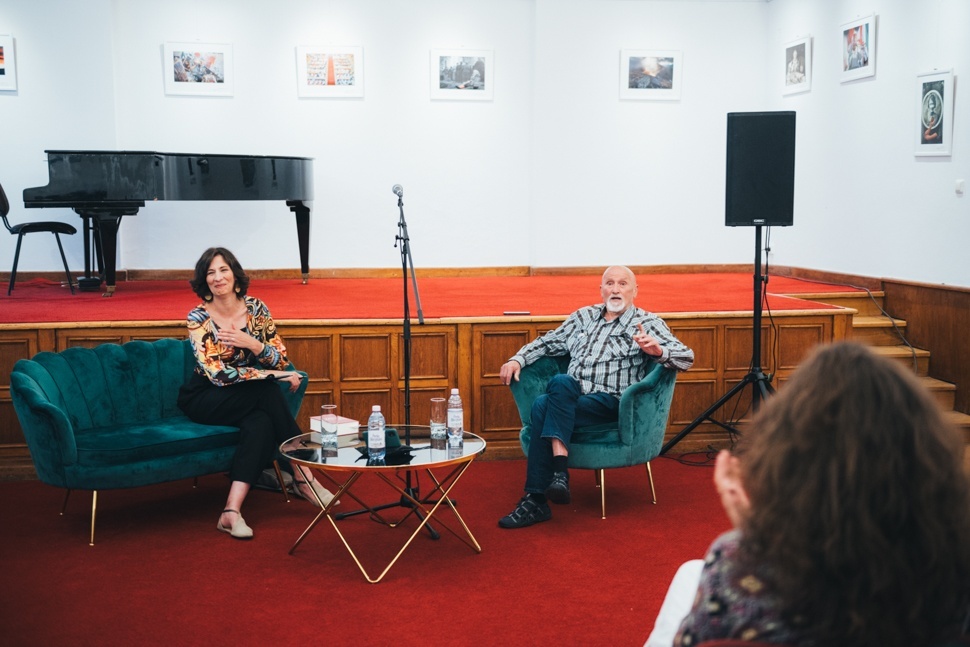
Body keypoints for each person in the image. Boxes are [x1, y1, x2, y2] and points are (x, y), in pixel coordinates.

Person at [646, 342, 970, 646]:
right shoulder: (953, 562)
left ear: (785, 459)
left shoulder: (734, 565)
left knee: (690, 573)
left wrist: (756, 541)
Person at [497, 265, 694, 529]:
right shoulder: (583, 317)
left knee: (544, 403)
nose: (615, 289)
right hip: (571, 396)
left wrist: (659, 352)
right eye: (609, 283)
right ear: (601, 290)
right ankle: (552, 482)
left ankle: (538, 496)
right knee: (559, 385)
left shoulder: (647, 323)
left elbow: (686, 357)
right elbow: (547, 342)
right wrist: (517, 359)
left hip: (609, 402)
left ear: (635, 290)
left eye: (623, 284)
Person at [177, 247, 334, 540]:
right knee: (267, 391)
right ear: (204, 280)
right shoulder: (198, 317)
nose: (217, 277)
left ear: (235, 275)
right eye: (210, 272)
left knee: (260, 423)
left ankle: (230, 512)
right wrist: (272, 375)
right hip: (205, 397)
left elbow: (280, 360)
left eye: (223, 270)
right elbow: (218, 375)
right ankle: (304, 474)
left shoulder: (257, 309)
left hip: (247, 394)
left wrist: (253, 344)